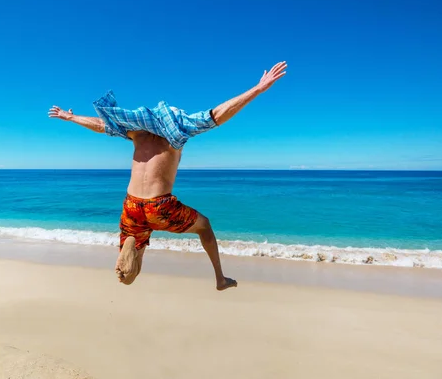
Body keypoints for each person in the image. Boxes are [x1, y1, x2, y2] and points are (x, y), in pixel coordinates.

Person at [48, 61, 287, 290]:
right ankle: (220, 279)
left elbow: (102, 125)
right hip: (159, 206)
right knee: (204, 226)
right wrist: (257, 89)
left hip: (131, 204)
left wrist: (71, 117)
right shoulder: (179, 130)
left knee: (136, 245)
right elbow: (217, 115)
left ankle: (132, 253)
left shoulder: (136, 133)